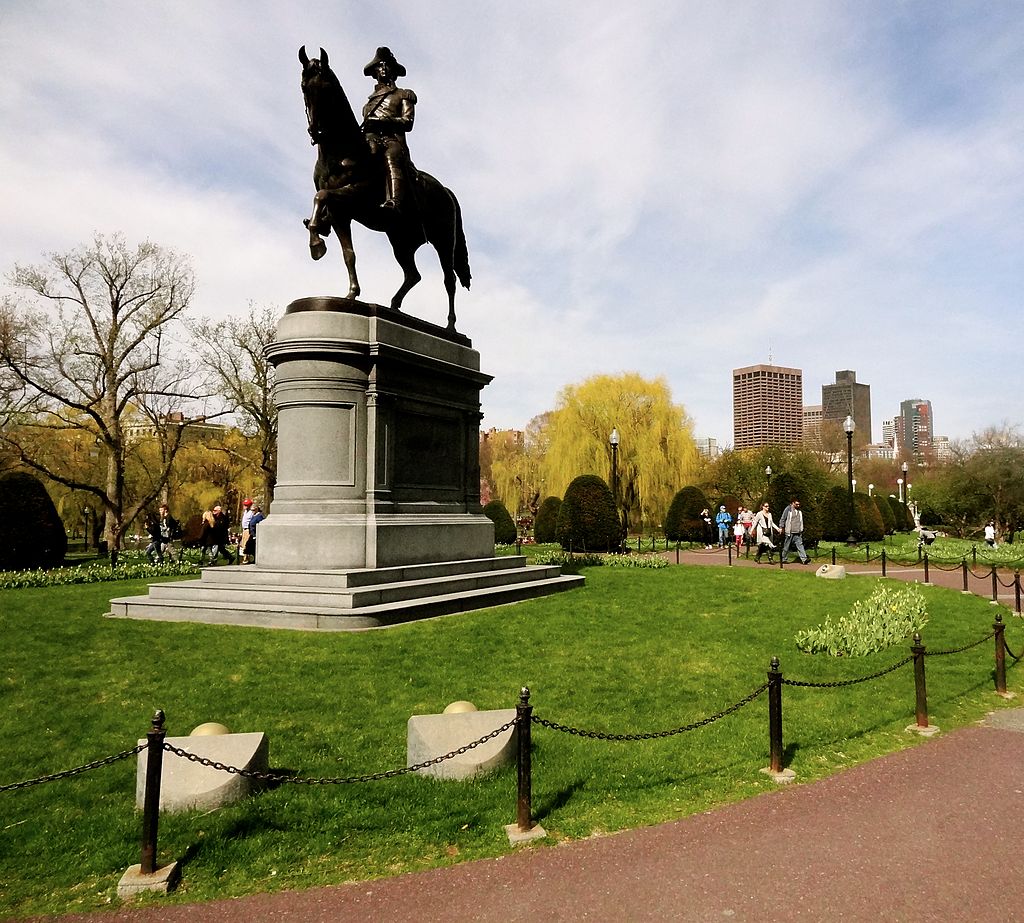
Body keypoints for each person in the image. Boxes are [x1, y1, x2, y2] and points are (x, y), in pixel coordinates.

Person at [362, 47, 416, 210]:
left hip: (392, 140)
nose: (383, 68)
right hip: (371, 139)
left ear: (393, 71)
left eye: (387, 65)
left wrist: (380, 120)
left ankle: (395, 201)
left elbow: (407, 122)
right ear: (374, 71)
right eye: (380, 65)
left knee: (390, 156)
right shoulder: (368, 104)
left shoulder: (403, 94)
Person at [779, 498, 810, 565]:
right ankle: (783, 558)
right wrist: (781, 527)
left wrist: (801, 529)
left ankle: (804, 559)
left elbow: (800, 521)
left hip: (798, 532)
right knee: (786, 546)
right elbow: (783, 518)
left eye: (799, 504)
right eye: (796, 504)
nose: (798, 505)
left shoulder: (799, 511)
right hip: (789, 532)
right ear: (792, 503)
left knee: (800, 545)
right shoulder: (788, 509)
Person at [240, 498, 254, 564]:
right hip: (244, 529)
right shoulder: (245, 512)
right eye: (244, 505)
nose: (245, 506)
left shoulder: (251, 513)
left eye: (246, 505)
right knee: (243, 544)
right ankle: (245, 557)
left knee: (246, 544)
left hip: (248, 530)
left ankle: (246, 559)